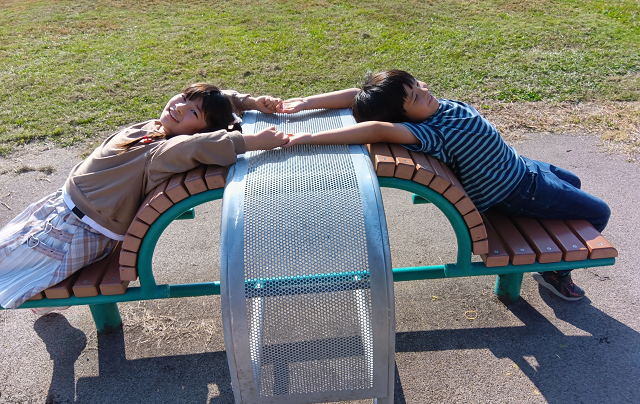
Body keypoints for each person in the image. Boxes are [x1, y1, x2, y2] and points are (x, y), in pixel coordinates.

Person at [277, 70, 611, 301]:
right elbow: (377, 128)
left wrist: (305, 101)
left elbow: (359, 95)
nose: (424, 90)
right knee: (598, 213)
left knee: (574, 182)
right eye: (415, 97)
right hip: (519, 190)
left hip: (522, 168)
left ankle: (552, 266)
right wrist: (309, 137)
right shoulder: (427, 132)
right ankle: (555, 273)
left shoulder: (428, 111)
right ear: (402, 118)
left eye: (417, 84)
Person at [0, 84, 290, 311]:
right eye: (184, 98)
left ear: (200, 131)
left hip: (69, 232)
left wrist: (252, 141)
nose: (180, 107)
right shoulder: (160, 130)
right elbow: (214, 101)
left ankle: (42, 292)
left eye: (193, 113)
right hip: (60, 214)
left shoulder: (166, 151)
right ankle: (43, 295)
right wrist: (248, 101)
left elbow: (199, 147)